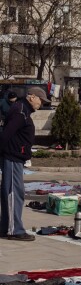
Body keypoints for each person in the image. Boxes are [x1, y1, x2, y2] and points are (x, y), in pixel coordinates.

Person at [0, 87, 48, 241]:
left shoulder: (22, 110)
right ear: (32, 97)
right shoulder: (21, 111)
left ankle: (6, 226)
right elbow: (7, 134)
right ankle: (15, 230)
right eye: (40, 99)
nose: (41, 103)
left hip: (15, 157)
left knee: (10, 192)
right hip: (13, 157)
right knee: (15, 192)